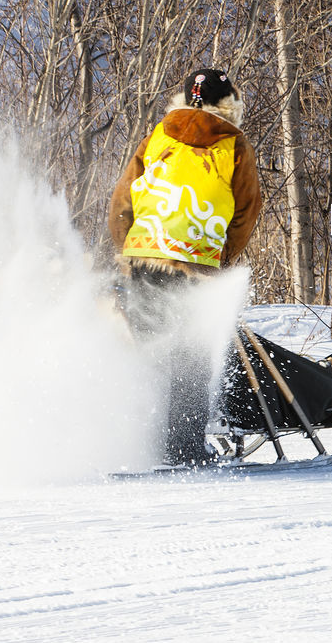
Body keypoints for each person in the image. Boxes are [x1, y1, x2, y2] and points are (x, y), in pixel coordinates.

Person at [108, 68, 262, 466]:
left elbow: (123, 203)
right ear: (229, 104)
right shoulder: (234, 145)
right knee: (191, 356)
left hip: (145, 255)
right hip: (196, 262)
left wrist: (128, 252)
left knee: (151, 351)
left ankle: (135, 440)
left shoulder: (156, 137)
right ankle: (183, 449)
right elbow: (246, 212)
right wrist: (222, 261)